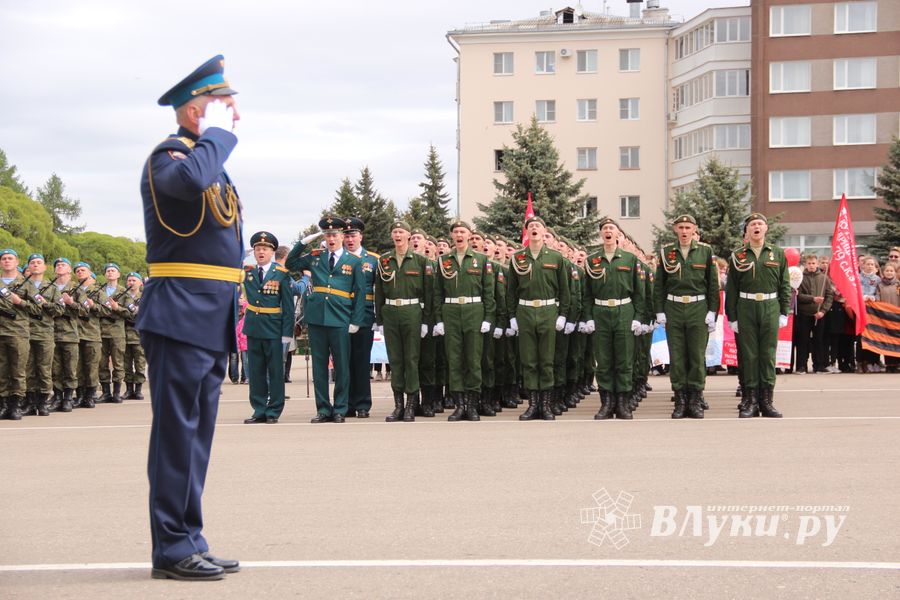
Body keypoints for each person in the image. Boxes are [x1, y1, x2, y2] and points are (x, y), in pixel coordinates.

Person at [138, 55, 242, 580]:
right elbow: (191, 181)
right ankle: (170, 548)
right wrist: (215, 136)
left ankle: (190, 537)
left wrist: (214, 140)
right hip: (179, 315)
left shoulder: (208, 164)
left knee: (196, 439)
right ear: (197, 112)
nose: (235, 120)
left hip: (207, 316)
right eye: (226, 109)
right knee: (177, 437)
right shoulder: (169, 159)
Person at [286, 217, 366, 423]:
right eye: (327, 235)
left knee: (341, 367)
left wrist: (356, 320)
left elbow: (360, 292)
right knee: (319, 367)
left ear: (342, 236)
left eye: (335, 234)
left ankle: (340, 408)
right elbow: (290, 262)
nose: (331, 238)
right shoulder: (315, 258)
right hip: (317, 318)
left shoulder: (354, 262)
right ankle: (323, 409)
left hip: (340, 318)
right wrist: (302, 243)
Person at [725, 213, 791, 418]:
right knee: (749, 355)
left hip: (770, 306)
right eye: (752, 224)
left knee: (767, 355)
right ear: (747, 230)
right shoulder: (737, 256)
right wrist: (732, 317)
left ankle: (767, 401)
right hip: (746, 306)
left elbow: (785, 285)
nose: (757, 227)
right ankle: (751, 400)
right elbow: (732, 289)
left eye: (760, 223)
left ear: (766, 228)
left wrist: (784, 311)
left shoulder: (778, 254)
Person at [654, 215, 719, 419]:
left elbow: (712, 284)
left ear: (694, 230)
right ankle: (680, 400)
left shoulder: (705, 252)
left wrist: (712, 311)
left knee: (697, 356)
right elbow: (659, 285)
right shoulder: (666, 253)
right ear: (675, 229)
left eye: (687, 227)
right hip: (674, 307)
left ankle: (695, 399)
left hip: (698, 307)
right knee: (678, 355)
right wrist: (659, 311)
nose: (684, 231)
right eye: (680, 227)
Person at [507, 216, 570, 420]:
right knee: (529, 360)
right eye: (530, 226)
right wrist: (512, 316)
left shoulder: (555, 257)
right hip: (525, 312)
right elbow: (511, 291)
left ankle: (546, 405)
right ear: (526, 233)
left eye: (538, 226)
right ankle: (533, 404)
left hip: (548, 311)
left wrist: (562, 316)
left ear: (544, 232)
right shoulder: (517, 258)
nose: (534, 228)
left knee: (546, 360)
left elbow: (565, 290)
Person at [582, 219, 645, 420]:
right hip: (601, 312)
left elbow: (639, 292)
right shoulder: (592, 261)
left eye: (612, 228)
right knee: (604, 360)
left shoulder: (629, 259)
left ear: (618, 234)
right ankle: (606, 403)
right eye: (605, 229)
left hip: (624, 310)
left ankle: (623, 404)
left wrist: (638, 317)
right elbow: (586, 293)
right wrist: (588, 317)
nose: (608, 231)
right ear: (601, 234)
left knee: (624, 360)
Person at [434, 220, 495, 421]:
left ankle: (472, 405)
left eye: (463, 231)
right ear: (452, 235)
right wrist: (439, 319)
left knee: (473, 359)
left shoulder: (481, 259)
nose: (459, 235)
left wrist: (487, 317)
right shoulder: (443, 261)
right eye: (456, 232)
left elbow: (489, 292)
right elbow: (437, 292)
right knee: (455, 359)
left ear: (469, 235)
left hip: (474, 311)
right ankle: (459, 405)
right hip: (450, 311)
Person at [375, 220, 434, 421]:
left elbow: (428, 293)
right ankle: (398, 405)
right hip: (391, 311)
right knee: (396, 360)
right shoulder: (383, 261)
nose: (397, 235)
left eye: (401, 232)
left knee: (411, 359)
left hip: (412, 311)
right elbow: (379, 293)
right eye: (395, 232)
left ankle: (411, 405)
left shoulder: (421, 262)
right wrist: (380, 319)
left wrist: (426, 321)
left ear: (409, 236)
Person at [242, 232, 296, 424]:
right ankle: (259, 409)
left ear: (272, 252)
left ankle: (273, 410)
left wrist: (287, 333)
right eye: (257, 249)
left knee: (274, 371)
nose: (261, 252)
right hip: (254, 327)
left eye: (265, 249)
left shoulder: (281, 274)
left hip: (274, 328)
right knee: (256, 372)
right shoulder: (247, 272)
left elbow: (288, 307)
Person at [343, 217, 379, 418]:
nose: (350, 239)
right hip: (342, 315)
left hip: (364, 315)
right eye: (346, 235)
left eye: (353, 235)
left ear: (361, 236)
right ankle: (346, 403)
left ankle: (363, 404)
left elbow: (380, 289)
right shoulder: (338, 258)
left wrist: (377, 317)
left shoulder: (373, 259)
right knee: (344, 362)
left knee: (362, 361)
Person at [0, 249, 40, 420]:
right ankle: (3, 405)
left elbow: (38, 309)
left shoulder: (26, 283)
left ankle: (16, 405)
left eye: (10, 258)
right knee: (1, 370)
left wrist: (20, 301)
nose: (7, 261)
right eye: (4, 259)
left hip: (18, 332)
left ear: (17, 262)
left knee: (18, 370)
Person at [24, 254, 64, 416]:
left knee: (45, 368)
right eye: (32, 263)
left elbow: (60, 309)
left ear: (45, 267)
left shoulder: (52, 287)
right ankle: (30, 402)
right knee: (28, 369)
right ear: (28, 266)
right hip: (24, 331)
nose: (35, 265)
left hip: (45, 332)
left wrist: (45, 304)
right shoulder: (21, 285)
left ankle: (43, 402)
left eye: (39, 262)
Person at [51, 258, 82, 412]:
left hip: (70, 333)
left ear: (70, 270)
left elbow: (84, 311)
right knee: (55, 369)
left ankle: (68, 398)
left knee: (70, 368)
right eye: (57, 265)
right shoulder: (50, 287)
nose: (59, 266)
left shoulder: (76, 288)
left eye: (63, 265)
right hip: (52, 332)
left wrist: (71, 303)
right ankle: (57, 397)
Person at [794, 254, 833, 374]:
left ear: (817, 264)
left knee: (819, 340)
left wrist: (823, 311)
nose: (811, 266)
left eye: (813, 263)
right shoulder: (799, 277)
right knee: (803, 340)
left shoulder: (824, 278)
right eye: (809, 263)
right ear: (806, 264)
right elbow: (798, 295)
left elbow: (829, 296)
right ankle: (801, 366)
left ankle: (819, 365)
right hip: (804, 313)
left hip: (819, 315)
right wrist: (812, 299)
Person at [73, 263, 103, 409]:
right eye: (77, 271)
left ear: (90, 272)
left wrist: (93, 306)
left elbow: (107, 311)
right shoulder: (73, 289)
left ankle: (90, 396)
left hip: (91, 333)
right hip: (75, 333)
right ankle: (79, 396)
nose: (79, 272)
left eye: (82, 270)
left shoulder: (98, 290)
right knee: (77, 367)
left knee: (91, 367)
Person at [122, 272, 146, 399]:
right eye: (129, 280)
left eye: (134, 280)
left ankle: (138, 389)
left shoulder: (145, 296)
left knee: (139, 363)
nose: (131, 283)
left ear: (140, 283)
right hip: (124, 334)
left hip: (139, 335)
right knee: (126, 364)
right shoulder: (122, 296)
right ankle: (128, 389)